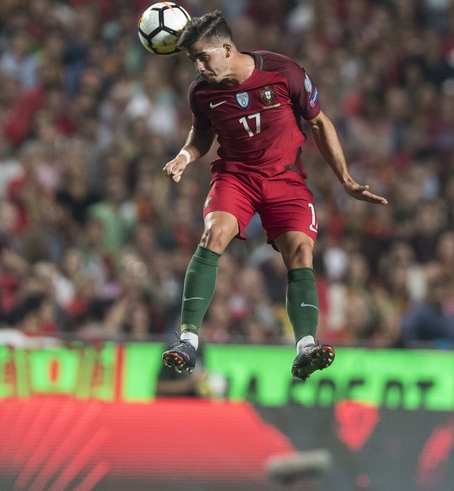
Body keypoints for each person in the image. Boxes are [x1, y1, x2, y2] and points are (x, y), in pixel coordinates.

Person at [160, 11, 388, 380]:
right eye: (193, 60)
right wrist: (185, 156)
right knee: (214, 233)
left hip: (285, 179)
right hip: (237, 177)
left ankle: (306, 347)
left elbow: (319, 122)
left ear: (228, 49)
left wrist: (345, 179)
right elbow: (202, 134)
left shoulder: (284, 73)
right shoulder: (201, 92)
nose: (199, 66)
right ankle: (187, 341)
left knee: (300, 251)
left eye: (203, 57)